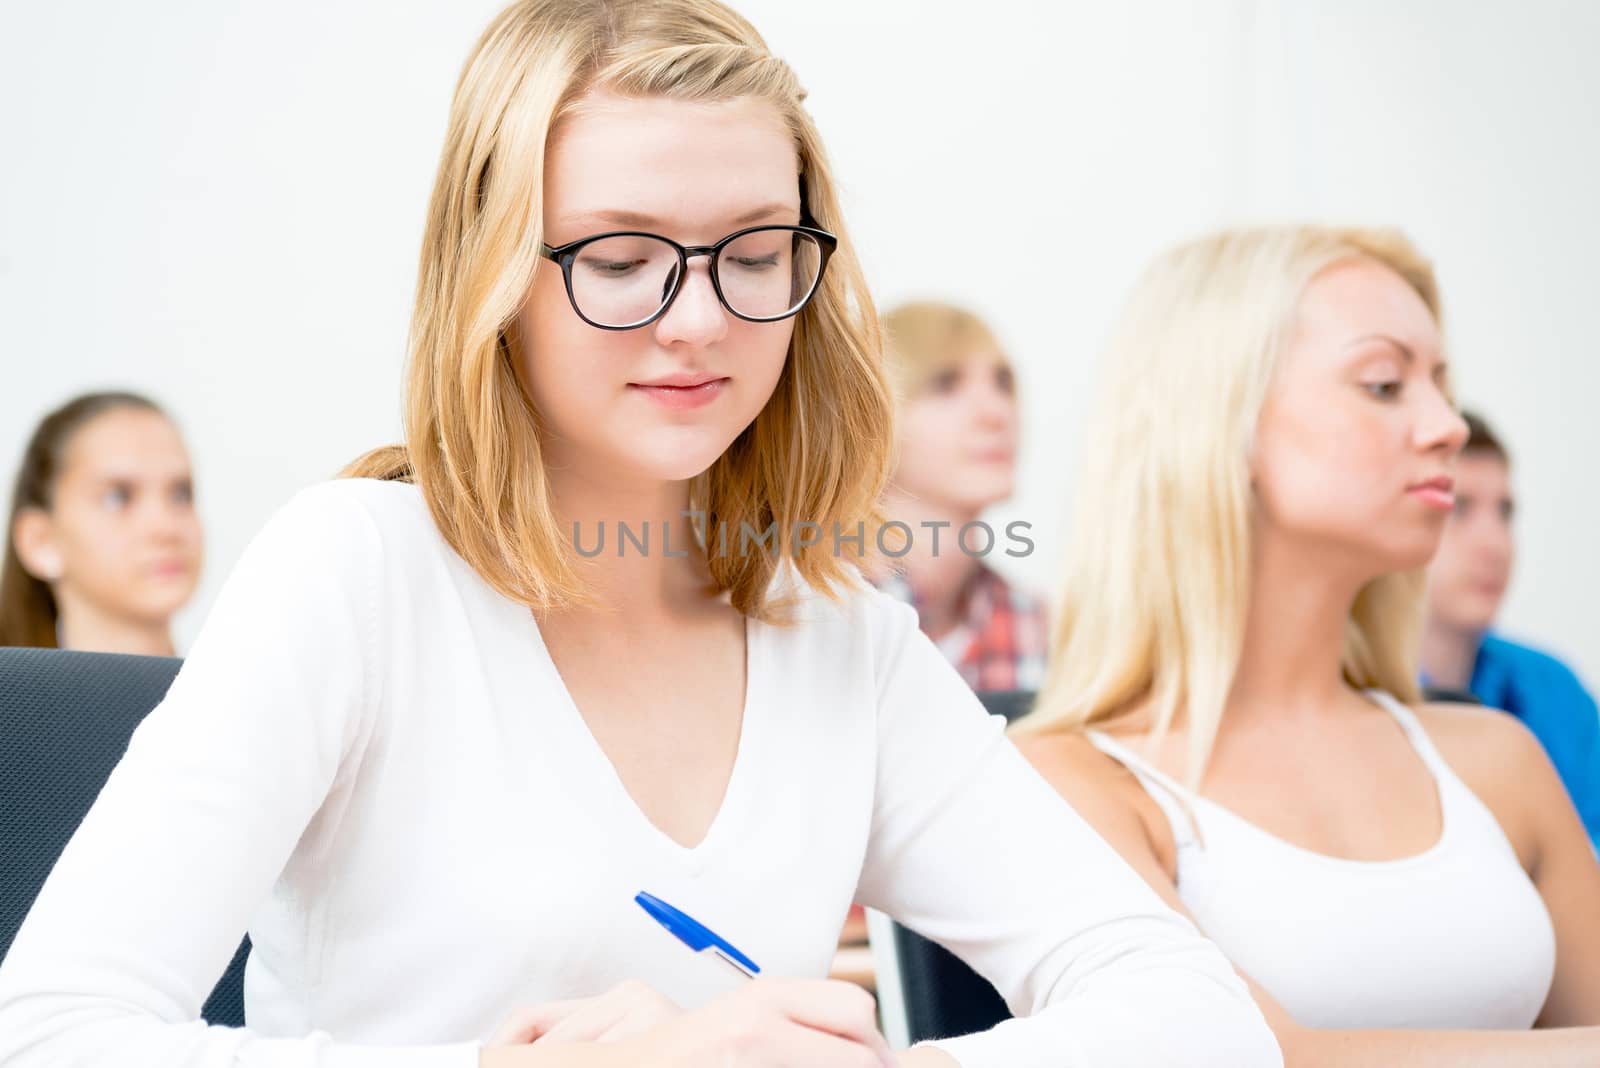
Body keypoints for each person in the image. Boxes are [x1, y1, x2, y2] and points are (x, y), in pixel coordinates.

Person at [0, 3, 1280, 1067]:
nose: (700, 321)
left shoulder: (840, 637)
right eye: (621, 257)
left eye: (753, 252)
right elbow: (50, 1032)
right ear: (493, 274)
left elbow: (1192, 1010)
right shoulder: (358, 573)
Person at [1012, 225, 1600, 1065]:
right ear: (1222, 421)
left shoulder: (1497, 760)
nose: (1446, 428)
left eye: (1441, 385)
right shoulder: (1068, 786)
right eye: (1385, 384)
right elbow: (1253, 1056)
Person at [1421, 411, 1600, 843]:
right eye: (1459, 507)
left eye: (1505, 512)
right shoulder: (1350, 696)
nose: (1495, 543)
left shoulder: (1554, 688)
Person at [878, 301, 1047, 692]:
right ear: (871, 415)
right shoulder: (810, 612)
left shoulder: (1040, 627)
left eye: (1004, 383)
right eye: (945, 383)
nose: (996, 412)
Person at [1, 390, 203, 654]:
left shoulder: (251, 690)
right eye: (118, 497)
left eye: (180, 494)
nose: (166, 528)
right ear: (40, 541)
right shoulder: (16, 695)